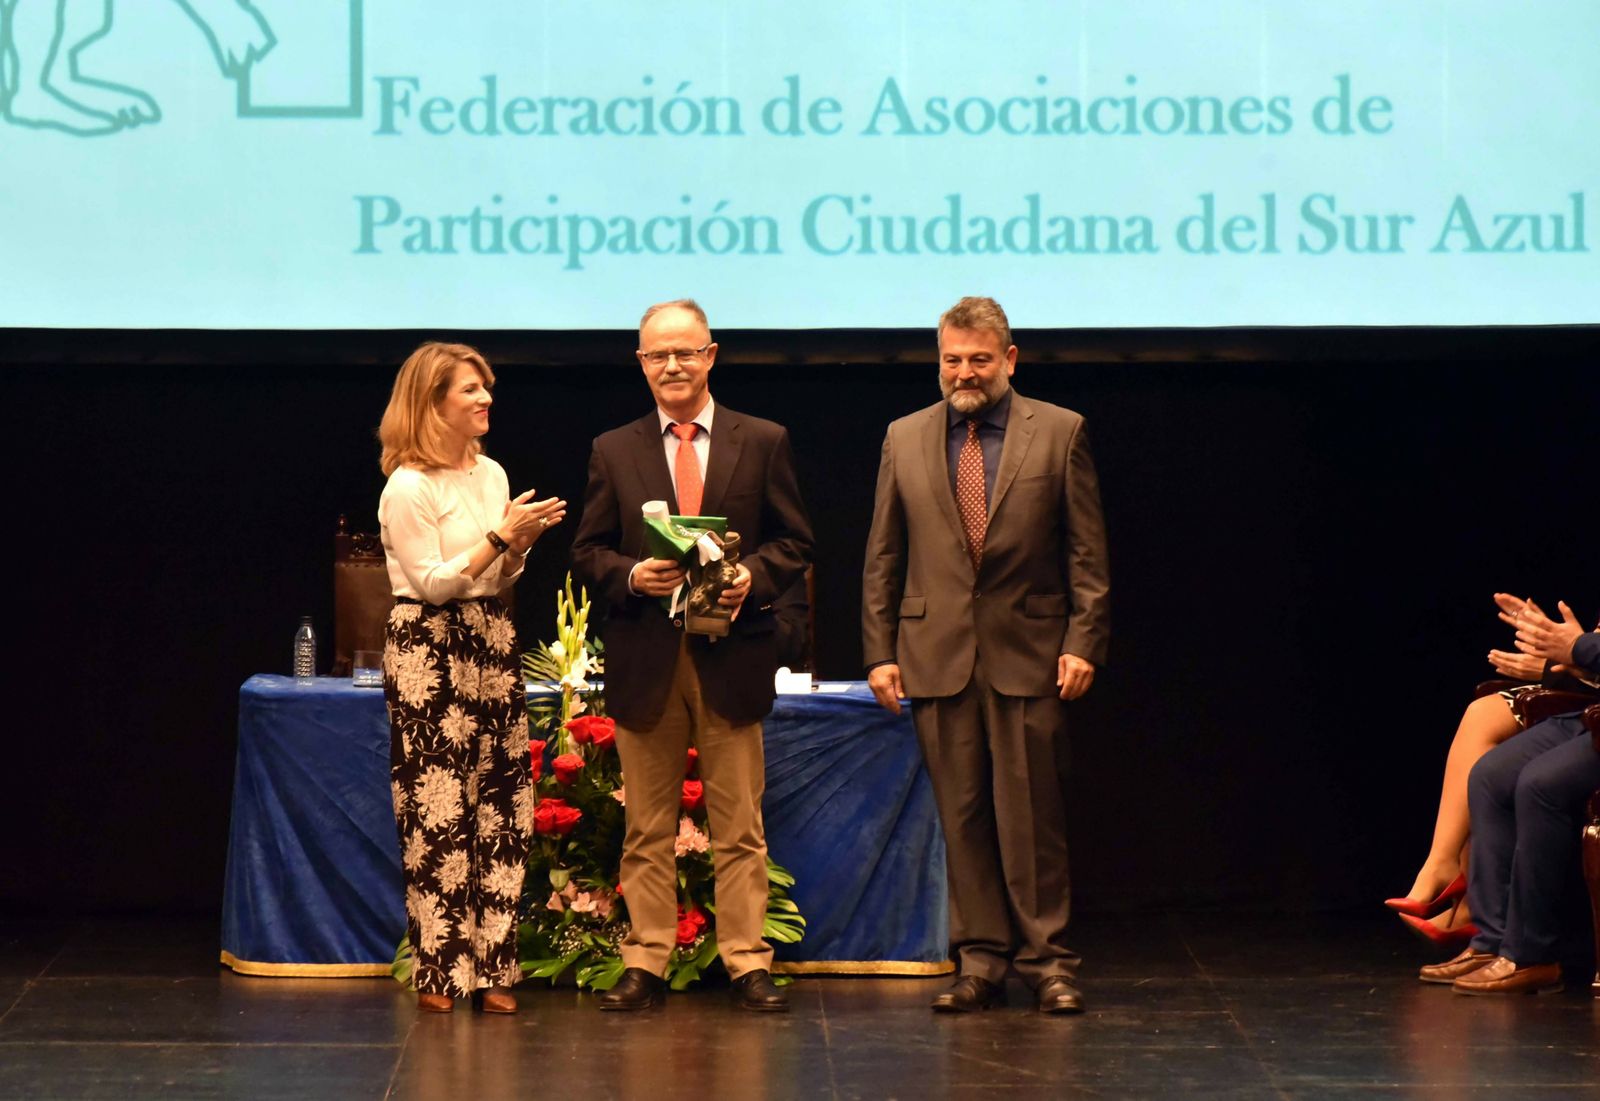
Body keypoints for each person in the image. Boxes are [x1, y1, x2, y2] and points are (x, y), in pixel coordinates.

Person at [861, 296, 1109, 1014]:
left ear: (1009, 359)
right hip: (934, 653)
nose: (963, 371)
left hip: (1031, 653)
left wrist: (1083, 639)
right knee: (961, 816)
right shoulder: (903, 437)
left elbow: (1087, 553)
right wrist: (878, 649)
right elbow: (882, 554)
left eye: (977, 358)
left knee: (1032, 816)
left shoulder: (1060, 433)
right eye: (950, 359)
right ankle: (980, 960)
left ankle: (1049, 962)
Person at [570, 299, 813, 1012]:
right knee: (646, 826)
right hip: (648, 656)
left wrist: (752, 579)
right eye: (656, 355)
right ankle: (645, 959)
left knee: (740, 824)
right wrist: (630, 576)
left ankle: (747, 960)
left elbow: (795, 542)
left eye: (685, 351)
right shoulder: (613, 449)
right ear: (640, 364)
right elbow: (587, 551)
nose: (672, 365)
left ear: (711, 355)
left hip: (732, 653)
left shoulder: (762, 440)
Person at [376, 342, 567, 1014]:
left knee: (501, 801)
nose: (486, 399)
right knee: (438, 805)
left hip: (489, 635)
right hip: (429, 645)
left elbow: (496, 576)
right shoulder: (408, 485)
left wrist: (518, 547)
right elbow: (430, 582)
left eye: (486, 389)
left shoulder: (491, 473)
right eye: (470, 390)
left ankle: (495, 965)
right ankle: (440, 969)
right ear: (433, 403)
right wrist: (497, 540)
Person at [1386, 593, 1599, 946]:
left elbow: (1587, 654)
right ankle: (1452, 875)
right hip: (1586, 689)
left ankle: (1458, 886)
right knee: (1483, 720)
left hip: (1588, 703)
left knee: (1526, 771)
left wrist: (1567, 660)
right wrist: (1556, 645)